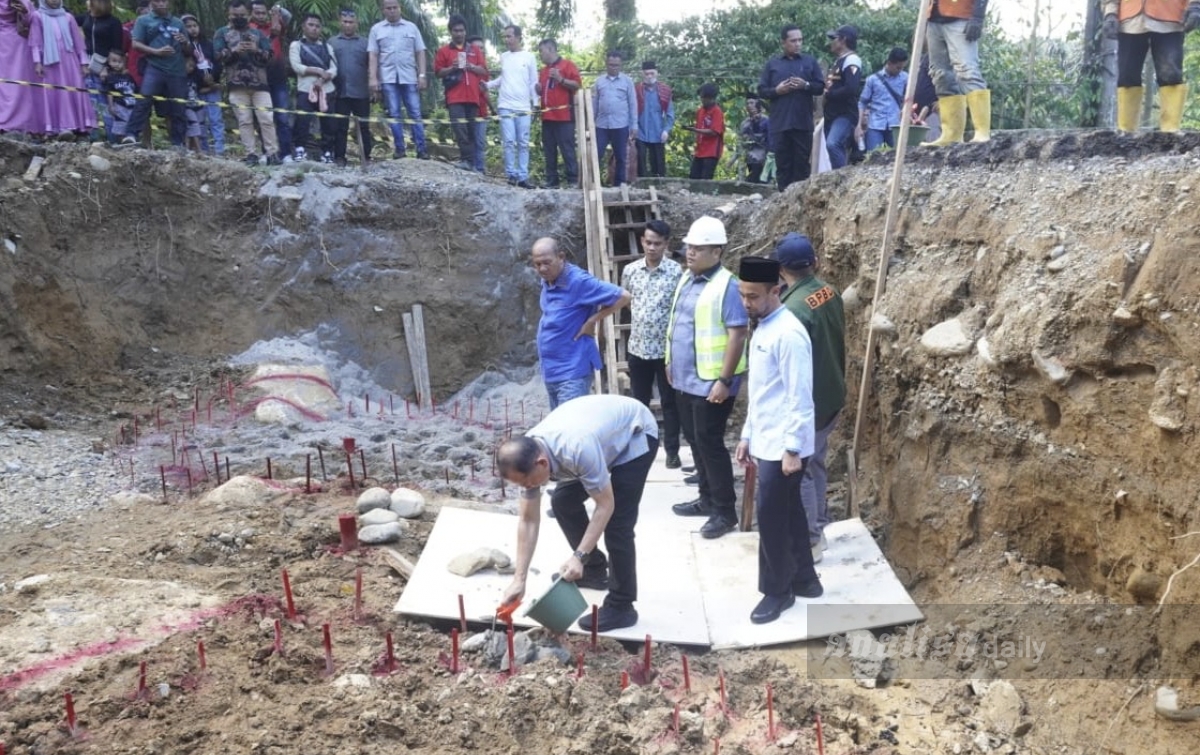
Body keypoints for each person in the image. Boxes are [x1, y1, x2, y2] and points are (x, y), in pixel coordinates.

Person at [497, 394, 658, 633]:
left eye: (528, 483)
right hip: (598, 438)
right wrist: (519, 579)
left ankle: (622, 605)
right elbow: (528, 520)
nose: (528, 488)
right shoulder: (528, 454)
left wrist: (578, 555)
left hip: (635, 433)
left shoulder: (576, 449)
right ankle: (594, 570)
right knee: (563, 502)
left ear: (542, 464)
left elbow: (605, 505)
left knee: (617, 525)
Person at [734, 256, 823, 625]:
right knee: (788, 513)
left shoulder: (788, 333)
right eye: (742, 295)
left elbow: (799, 396)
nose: (746, 304)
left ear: (776, 290)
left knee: (770, 519)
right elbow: (763, 391)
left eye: (753, 297)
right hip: (765, 436)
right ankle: (805, 579)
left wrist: (792, 449)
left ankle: (777, 591)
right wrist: (746, 435)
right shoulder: (765, 325)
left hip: (783, 444)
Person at [666, 216, 749, 540]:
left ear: (716, 251)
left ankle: (724, 511)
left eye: (698, 248)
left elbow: (737, 335)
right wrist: (671, 362)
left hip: (712, 384)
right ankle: (705, 499)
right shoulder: (688, 278)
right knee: (696, 441)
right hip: (685, 379)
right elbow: (680, 326)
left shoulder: (727, 285)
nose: (690, 252)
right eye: (689, 247)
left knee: (711, 444)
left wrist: (724, 380)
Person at [774, 233, 844, 565]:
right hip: (832, 395)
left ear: (781, 269)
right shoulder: (830, 292)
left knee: (799, 468)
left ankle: (811, 540)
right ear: (814, 262)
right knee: (816, 461)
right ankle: (818, 523)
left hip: (810, 402)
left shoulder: (793, 310)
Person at [530, 237, 630, 410]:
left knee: (569, 430)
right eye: (537, 264)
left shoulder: (578, 281)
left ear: (561, 257)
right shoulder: (548, 280)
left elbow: (624, 296)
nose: (542, 269)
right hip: (551, 371)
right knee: (559, 428)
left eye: (547, 262)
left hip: (572, 371)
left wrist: (593, 320)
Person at [621, 219, 684, 469]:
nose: (652, 248)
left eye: (657, 243)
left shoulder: (676, 272)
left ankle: (671, 451)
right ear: (642, 241)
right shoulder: (630, 270)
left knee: (670, 403)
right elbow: (626, 300)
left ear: (666, 244)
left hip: (666, 352)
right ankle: (641, 451)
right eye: (648, 242)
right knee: (640, 403)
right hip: (638, 348)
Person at [1104, 0, 1200, 132]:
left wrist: (1195, 5)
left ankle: (1170, 130)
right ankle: (1126, 131)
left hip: (1169, 19)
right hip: (1130, 21)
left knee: (1170, 74)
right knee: (1127, 75)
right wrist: (1110, 13)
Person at [757, 24, 824, 191]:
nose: (798, 44)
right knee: (783, 165)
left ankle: (799, 202)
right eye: (793, 40)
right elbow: (761, 90)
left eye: (800, 40)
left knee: (801, 165)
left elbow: (820, 87)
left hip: (802, 123)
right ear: (783, 42)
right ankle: (782, 200)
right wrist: (777, 90)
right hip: (780, 123)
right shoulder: (773, 64)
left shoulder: (810, 62)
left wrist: (805, 85)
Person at [214, 0, 279, 166]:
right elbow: (217, 56)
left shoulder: (259, 34)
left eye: (242, 15)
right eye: (235, 15)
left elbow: (270, 56)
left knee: (266, 118)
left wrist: (256, 50)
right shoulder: (221, 33)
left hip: (260, 84)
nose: (238, 18)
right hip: (236, 84)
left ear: (249, 15)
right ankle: (251, 154)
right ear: (228, 15)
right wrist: (234, 50)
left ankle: (272, 153)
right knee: (244, 120)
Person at [922, 0, 990, 146]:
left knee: (967, 71)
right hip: (933, 17)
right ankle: (951, 134)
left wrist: (978, 17)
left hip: (960, 16)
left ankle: (982, 132)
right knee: (940, 75)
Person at [368, 0, 428, 160]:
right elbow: (373, 55)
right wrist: (373, 78)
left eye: (395, 7)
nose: (392, 10)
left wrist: (422, 75)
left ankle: (422, 150)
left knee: (415, 113)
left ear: (400, 8)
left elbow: (420, 52)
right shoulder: (376, 29)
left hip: (409, 78)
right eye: (389, 8)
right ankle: (400, 150)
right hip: (388, 78)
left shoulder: (411, 28)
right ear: (383, 10)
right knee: (394, 113)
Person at [29, 0, 96, 140]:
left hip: (69, 61)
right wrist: (37, 62)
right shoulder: (37, 16)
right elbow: (36, 41)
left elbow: (78, 42)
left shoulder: (68, 17)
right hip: (50, 61)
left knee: (74, 90)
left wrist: (83, 63)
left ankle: (79, 127)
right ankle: (59, 127)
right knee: (55, 92)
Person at [125, 0, 189, 147]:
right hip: (154, 67)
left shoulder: (178, 22)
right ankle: (131, 134)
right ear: (151, 3)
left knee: (178, 107)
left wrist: (184, 42)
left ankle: (178, 143)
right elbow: (136, 44)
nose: (161, 3)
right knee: (144, 100)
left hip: (177, 69)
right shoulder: (143, 20)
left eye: (164, 0)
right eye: (157, 1)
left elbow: (188, 51)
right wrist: (156, 52)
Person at [486, 24, 537, 187]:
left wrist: (535, 104)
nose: (507, 40)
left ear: (518, 37)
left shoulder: (529, 57)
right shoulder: (504, 56)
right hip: (506, 104)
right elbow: (504, 78)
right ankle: (511, 175)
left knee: (523, 142)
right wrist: (488, 85)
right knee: (508, 141)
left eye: (509, 36)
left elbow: (533, 82)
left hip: (523, 106)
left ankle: (523, 176)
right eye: (505, 37)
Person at [434, 14, 487, 171]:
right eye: (456, 30)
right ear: (451, 32)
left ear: (465, 31)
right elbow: (438, 72)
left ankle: (473, 163)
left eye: (462, 30)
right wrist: (453, 67)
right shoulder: (444, 51)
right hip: (454, 97)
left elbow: (483, 70)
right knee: (460, 129)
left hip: (473, 96)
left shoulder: (475, 50)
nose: (459, 33)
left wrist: (470, 66)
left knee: (471, 130)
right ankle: (467, 160)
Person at [289, 13, 337, 162]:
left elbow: (334, 68)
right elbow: (296, 66)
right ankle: (299, 149)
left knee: (328, 123)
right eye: (311, 25)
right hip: (305, 89)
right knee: (302, 121)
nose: (314, 29)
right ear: (303, 27)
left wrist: (322, 79)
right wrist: (316, 70)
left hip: (327, 89)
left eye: (317, 26)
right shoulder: (296, 45)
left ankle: (327, 152)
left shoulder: (327, 47)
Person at [250, 0, 293, 161]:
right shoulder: (249, 29)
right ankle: (267, 153)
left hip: (278, 78)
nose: (260, 16)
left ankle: (286, 153)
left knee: (282, 117)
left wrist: (277, 10)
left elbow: (288, 17)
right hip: (258, 79)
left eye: (263, 12)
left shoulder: (275, 26)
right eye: (257, 13)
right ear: (251, 14)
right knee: (262, 117)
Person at [329, 8, 372, 166]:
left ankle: (366, 157)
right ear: (340, 22)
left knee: (364, 126)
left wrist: (374, 88)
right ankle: (339, 157)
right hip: (339, 93)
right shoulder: (332, 42)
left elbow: (372, 67)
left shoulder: (365, 43)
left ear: (356, 23)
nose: (348, 25)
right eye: (345, 22)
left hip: (361, 92)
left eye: (351, 22)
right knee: (340, 127)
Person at [537, 38, 580, 188]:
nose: (540, 55)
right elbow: (544, 91)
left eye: (541, 51)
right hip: (547, 117)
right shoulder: (543, 70)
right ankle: (552, 181)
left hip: (565, 117)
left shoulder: (568, 65)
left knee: (567, 149)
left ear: (550, 49)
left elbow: (577, 84)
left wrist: (561, 79)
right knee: (549, 149)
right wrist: (538, 90)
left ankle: (573, 180)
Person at [593, 51, 637, 186]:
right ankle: (595, 183)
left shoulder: (627, 81)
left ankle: (619, 185)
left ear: (620, 65)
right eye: (611, 65)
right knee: (596, 155)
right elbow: (594, 104)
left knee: (621, 157)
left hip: (620, 125)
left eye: (617, 65)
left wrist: (634, 125)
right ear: (606, 64)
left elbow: (633, 103)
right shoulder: (599, 82)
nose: (614, 67)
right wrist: (589, 124)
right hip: (601, 125)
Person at [82, 0, 123, 141]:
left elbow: (117, 47)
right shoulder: (88, 18)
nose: (89, 6)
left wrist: (107, 68)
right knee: (89, 101)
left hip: (105, 66)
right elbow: (70, 17)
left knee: (106, 102)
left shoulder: (113, 22)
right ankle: (92, 135)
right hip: (87, 65)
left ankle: (113, 137)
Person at [182, 13, 223, 155]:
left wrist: (213, 77)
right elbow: (189, 69)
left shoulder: (208, 44)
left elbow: (217, 62)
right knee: (200, 121)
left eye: (195, 26)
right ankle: (204, 149)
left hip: (213, 86)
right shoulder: (184, 49)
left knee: (216, 119)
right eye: (188, 27)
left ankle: (219, 150)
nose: (192, 29)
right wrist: (202, 81)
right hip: (197, 89)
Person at [822, 25, 862, 170]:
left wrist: (829, 94)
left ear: (843, 40)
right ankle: (837, 178)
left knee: (833, 143)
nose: (831, 42)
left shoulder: (852, 60)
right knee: (833, 148)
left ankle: (841, 179)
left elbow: (851, 88)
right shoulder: (838, 61)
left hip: (844, 114)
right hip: (831, 114)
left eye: (834, 38)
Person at [857, 47, 909, 153]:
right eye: (898, 67)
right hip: (875, 125)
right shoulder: (872, 80)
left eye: (902, 68)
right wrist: (858, 125)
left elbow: (909, 99)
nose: (900, 70)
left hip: (895, 125)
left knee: (896, 157)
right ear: (889, 63)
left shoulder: (905, 78)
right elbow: (862, 103)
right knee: (873, 157)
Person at [1, 0, 40, 135]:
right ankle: (23, 122)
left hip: (16, 43)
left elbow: (32, 20)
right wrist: (25, 12)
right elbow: (33, 19)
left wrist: (24, 12)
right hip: (17, 42)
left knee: (14, 84)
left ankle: (18, 122)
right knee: (18, 85)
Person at [635, 60, 674, 177]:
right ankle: (641, 187)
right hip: (640, 131)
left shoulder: (665, 90)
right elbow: (631, 111)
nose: (649, 76)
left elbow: (670, 113)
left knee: (658, 165)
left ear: (656, 73)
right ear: (642, 74)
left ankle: (660, 187)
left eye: (652, 73)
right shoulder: (636, 90)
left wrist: (666, 130)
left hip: (658, 132)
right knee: (640, 159)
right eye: (646, 74)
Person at [688, 82, 724, 180]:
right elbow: (700, 128)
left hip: (711, 151)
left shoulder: (717, 111)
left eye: (703, 97)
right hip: (700, 150)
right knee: (693, 176)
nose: (701, 99)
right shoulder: (700, 111)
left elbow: (714, 131)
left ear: (711, 98)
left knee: (706, 178)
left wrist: (696, 130)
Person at [101, 49, 137, 141]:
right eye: (114, 61)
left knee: (132, 125)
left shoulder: (129, 76)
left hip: (132, 105)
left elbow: (136, 90)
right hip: (120, 106)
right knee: (120, 126)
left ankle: (131, 141)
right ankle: (121, 142)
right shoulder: (110, 77)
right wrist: (111, 105)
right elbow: (110, 92)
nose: (117, 64)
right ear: (109, 62)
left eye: (120, 62)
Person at [467, 34, 489, 173]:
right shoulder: (465, 68)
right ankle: (471, 167)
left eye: (482, 48)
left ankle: (479, 168)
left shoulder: (484, 68)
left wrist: (491, 109)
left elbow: (485, 90)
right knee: (469, 140)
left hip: (482, 110)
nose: (480, 50)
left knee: (480, 141)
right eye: (477, 48)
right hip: (468, 109)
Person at [735, 97, 770, 183]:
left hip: (763, 155)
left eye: (752, 103)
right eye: (747, 103)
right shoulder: (745, 123)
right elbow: (741, 139)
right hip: (749, 156)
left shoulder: (765, 120)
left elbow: (769, 138)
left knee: (759, 178)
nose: (749, 105)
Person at [182, 54, 209, 153]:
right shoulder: (179, 78)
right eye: (189, 66)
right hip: (187, 106)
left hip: (198, 105)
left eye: (193, 66)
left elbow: (200, 89)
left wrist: (213, 87)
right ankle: (198, 150)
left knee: (201, 126)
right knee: (193, 126)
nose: (191, 68)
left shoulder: (195, 77)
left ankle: (193, 149)